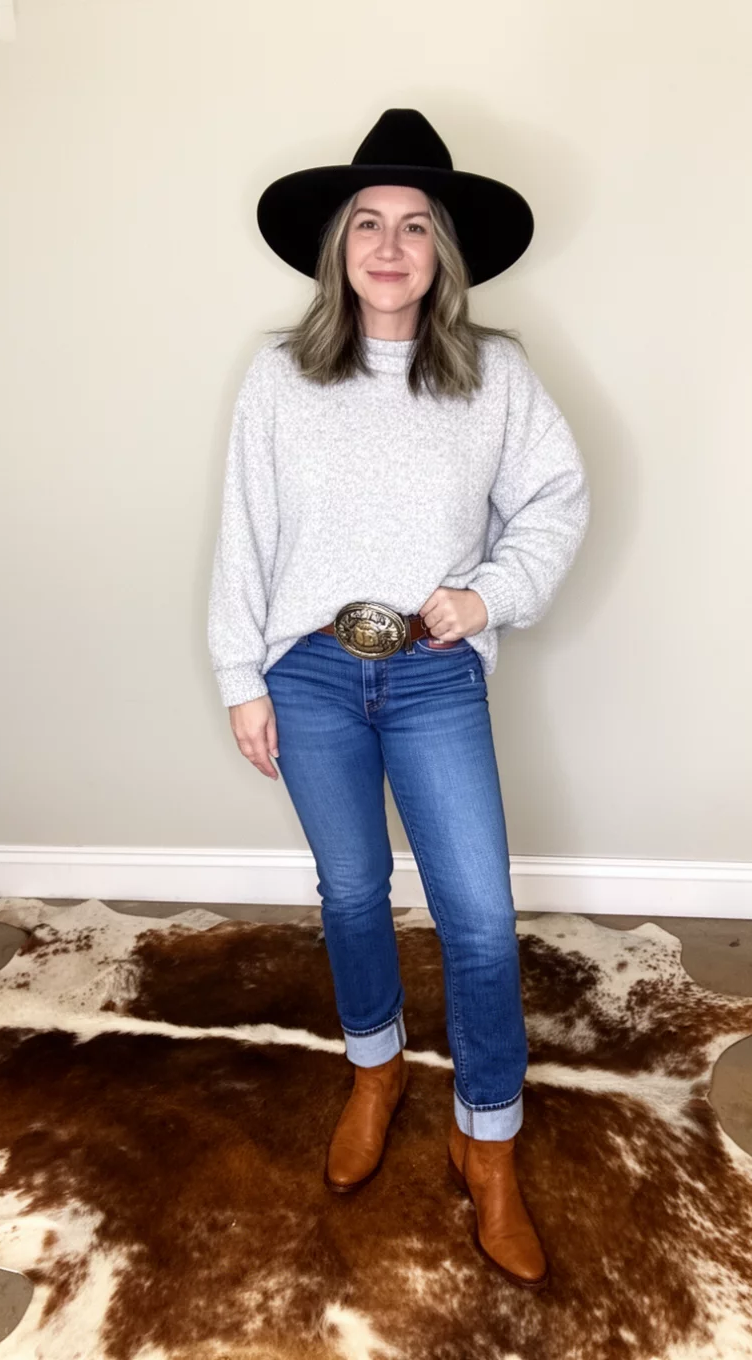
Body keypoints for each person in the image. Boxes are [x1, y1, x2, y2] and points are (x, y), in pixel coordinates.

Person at [207, 108, 590, 1291]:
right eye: (366, 223)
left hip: (430, 674)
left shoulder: (498, 377)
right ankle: (374, 1068)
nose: (387, 243)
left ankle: (489, 1143)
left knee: (476, 912)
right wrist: (239, 677)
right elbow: (246, 535)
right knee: (353, 888)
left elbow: (557, 502)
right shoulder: (280, 377)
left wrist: (487, 600)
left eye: (413, 226)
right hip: (309, 670)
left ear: (442, 255)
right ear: (339, 249)